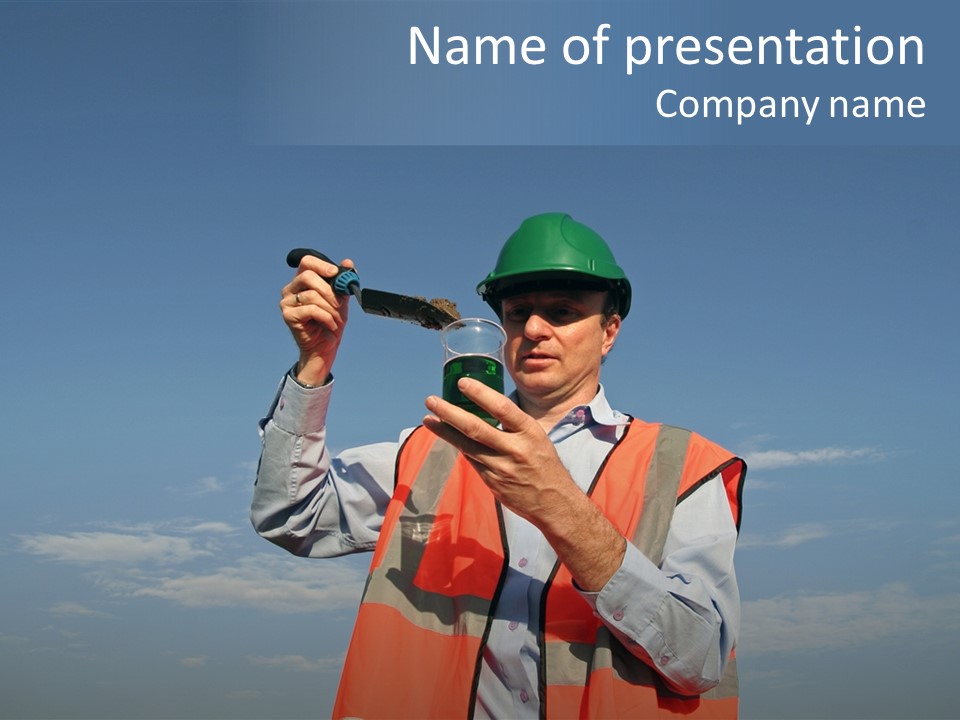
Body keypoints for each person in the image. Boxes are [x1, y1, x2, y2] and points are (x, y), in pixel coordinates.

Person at [251, 212, 746, 719]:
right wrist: (315, 363)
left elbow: (699, 659)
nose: (533, 328)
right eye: (518, 312)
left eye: (562, 311)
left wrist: (560, 507)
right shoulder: (429, 449)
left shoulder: (684, 466)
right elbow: (291, 515)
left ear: (608, 331)